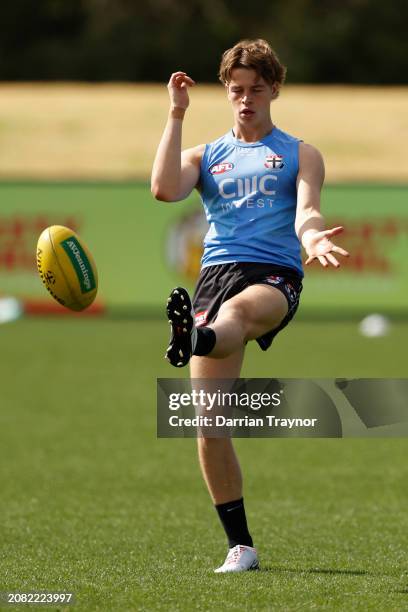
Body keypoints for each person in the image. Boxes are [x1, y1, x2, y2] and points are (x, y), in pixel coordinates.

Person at [151, 39, 349, 573]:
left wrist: (312, 241)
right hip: (215, 276)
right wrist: (176, 113)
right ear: (227, 92)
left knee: (234, 318)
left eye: (256, 90)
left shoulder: (300, 152)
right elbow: (164, 188)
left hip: (273, 275)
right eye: (236, 90)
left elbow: (307, 211)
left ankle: (195, 336)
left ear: (274, 90)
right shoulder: (208, 155)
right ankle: (241, 546)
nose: (245, 99)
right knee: (209, 425)